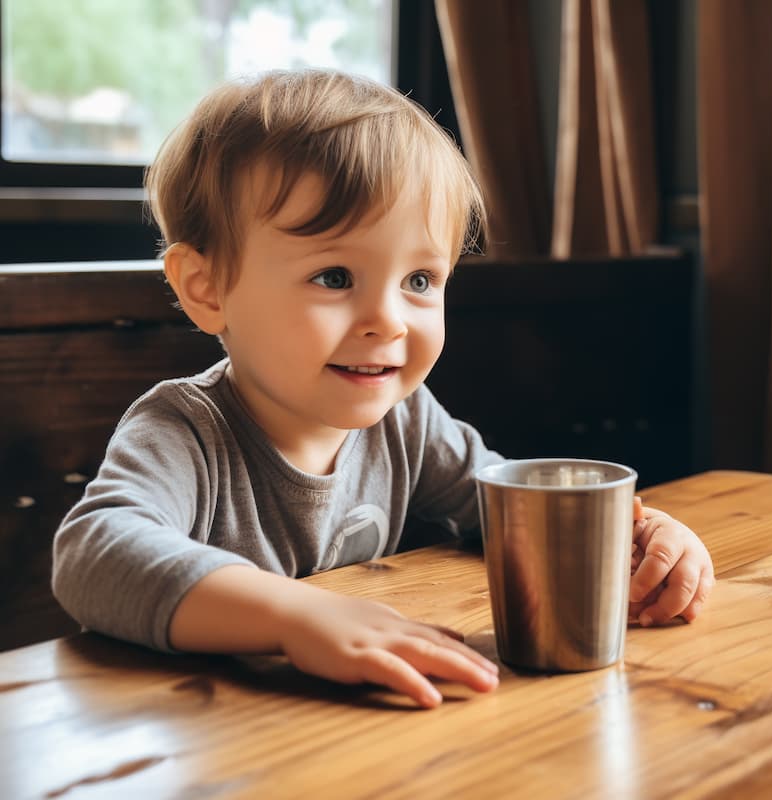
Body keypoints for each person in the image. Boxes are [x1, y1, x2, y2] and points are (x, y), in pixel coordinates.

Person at [52, 69, 714, 709]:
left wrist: (637, 536)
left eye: (420, 280)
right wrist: (294, 616)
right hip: (213, 734)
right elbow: (94, 553)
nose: (388, 322)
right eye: (336, 276)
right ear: (207, 288)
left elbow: (509, 507)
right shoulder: (184, 429)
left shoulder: (406, 420)